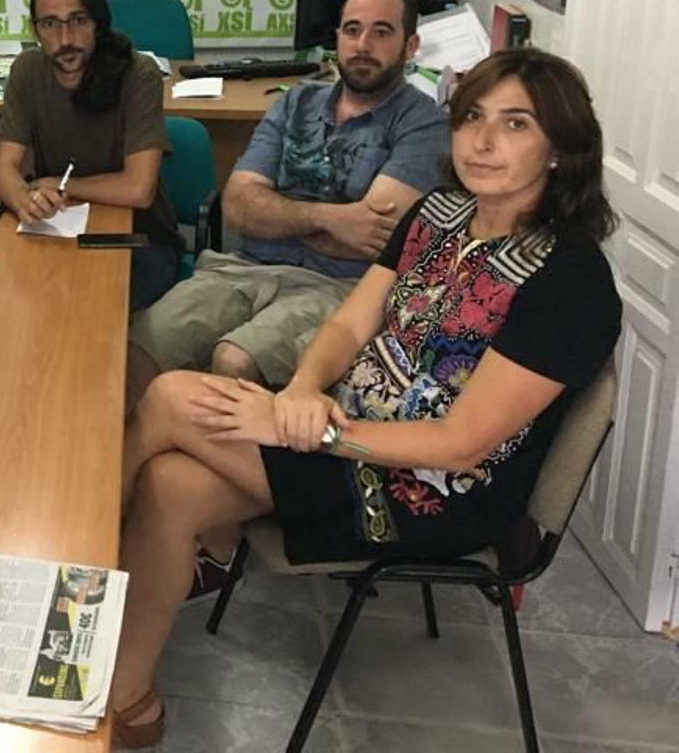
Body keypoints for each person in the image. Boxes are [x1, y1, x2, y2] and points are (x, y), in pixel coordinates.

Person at [107, 48, 621, 746]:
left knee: (169, 396)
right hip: (345, 432)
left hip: (433, 495)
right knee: (169, 484)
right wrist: (300, 390)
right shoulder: (439, 214)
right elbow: (351, 320)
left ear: (561, 149)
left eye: (516, 124)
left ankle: (66, 564)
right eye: (472, 116)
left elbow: (461, 442)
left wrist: (305, 431)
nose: (483, 140)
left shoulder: (570, 281)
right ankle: (128, 702)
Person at [130, 0, 448, 390]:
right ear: (336, 39)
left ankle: (211, 451)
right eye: (352, 30)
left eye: (381, 31)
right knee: (137, 348)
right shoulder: (296, 102)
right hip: (242, 269)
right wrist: (330, 218)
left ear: (411, 45)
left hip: (339, 286)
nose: (363, 44)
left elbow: (367, 236)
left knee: (235, 360)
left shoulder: (425, 125)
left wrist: (276, 211)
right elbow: (238, 206)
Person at [0, 0, 180, 398]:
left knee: (85, 332)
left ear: (98, 23)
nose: (65, 39)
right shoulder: (28, 71)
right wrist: (23, 198)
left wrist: (58, 183)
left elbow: (138, 189)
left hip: (139, 241)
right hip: (56, 236)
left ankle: (95, 424)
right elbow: (3, 168)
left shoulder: (138, 74)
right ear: (36, 29)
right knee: (8, 316)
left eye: (78, 21)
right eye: (50, 24)